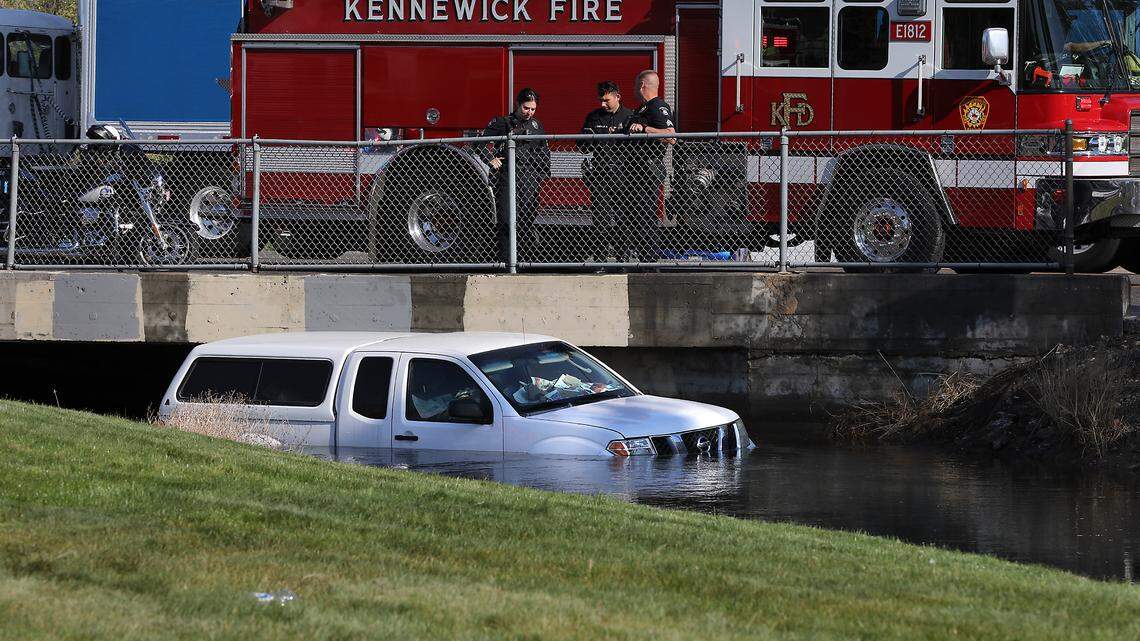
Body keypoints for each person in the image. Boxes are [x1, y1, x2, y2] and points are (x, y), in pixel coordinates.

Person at [481, 88, 550, 264]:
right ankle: (506, 261)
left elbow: (544, 150)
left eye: (533, 109)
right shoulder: (502, 122)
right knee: (506, 220)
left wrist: (542, 172)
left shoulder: (537, 126)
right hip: (507, 176)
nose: (529, 112)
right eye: (526, 108)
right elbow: (478, 144)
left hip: (530, 178)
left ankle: (524, 261)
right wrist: (491, 159)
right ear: (518, 104)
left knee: (525, 221)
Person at [621, 70, 675, 265]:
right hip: (634, 174)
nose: (634, 89)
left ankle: (649, 262)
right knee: (632, 218)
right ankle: (634, 260)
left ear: (642, 85)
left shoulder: (658, 107)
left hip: (647, 174)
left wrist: (645, 129)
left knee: (645, 218)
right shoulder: (641, 109)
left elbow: (670, 135)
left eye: (636, 85)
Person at [579, 80, 633, 264]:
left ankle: (622, 259)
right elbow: (582, 146)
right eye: (600, 100)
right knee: (600, 221)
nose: (602, 104)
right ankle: (600, 260)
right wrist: (588, 137)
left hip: (624, 176)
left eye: (606, 100)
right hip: (600, 175)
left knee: (623, 220)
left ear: (618, 96)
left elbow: (637, 148)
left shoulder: (629, 116)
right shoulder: (594, 117)